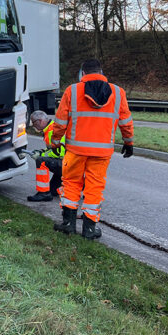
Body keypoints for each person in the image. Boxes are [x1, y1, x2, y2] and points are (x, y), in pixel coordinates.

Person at [50, 58, 134, 239]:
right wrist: (128, 143)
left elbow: (61, 120)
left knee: (71, 184)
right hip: (102, 152)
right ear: (102, 72)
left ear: (82, 73)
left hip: (75, 150)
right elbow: (126, 122)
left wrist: (56, 141)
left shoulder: (72, 91)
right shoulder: (118, 93)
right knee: (95, 188)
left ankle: (68, 224)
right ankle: (89, 229)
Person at [26, 110, 65, 202]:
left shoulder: (52, 130)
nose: (34, 126)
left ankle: (43, 193)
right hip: (68, 163)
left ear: (40, 121)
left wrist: (40, 154)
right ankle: (83, 184)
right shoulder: (51, 128)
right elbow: (53, 149)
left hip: (66, 164)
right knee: (53, 191)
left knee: (41, 160)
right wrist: (41, 151)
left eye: (34, 123)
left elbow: (58, 154)